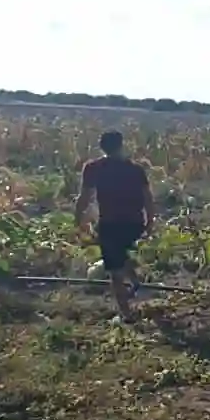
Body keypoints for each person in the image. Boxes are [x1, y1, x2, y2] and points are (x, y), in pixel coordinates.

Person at [74, 130, 153, 322]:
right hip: (134, 224)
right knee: (119, 254)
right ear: (121, 145)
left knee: (115, 271)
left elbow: (84, 198)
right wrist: (150, 222)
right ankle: (135, 284)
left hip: (110, 224)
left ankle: (126, 314)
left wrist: (79, 220)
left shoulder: (93, 167)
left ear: (102, 147)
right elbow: (148, 198)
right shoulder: (135, 169)